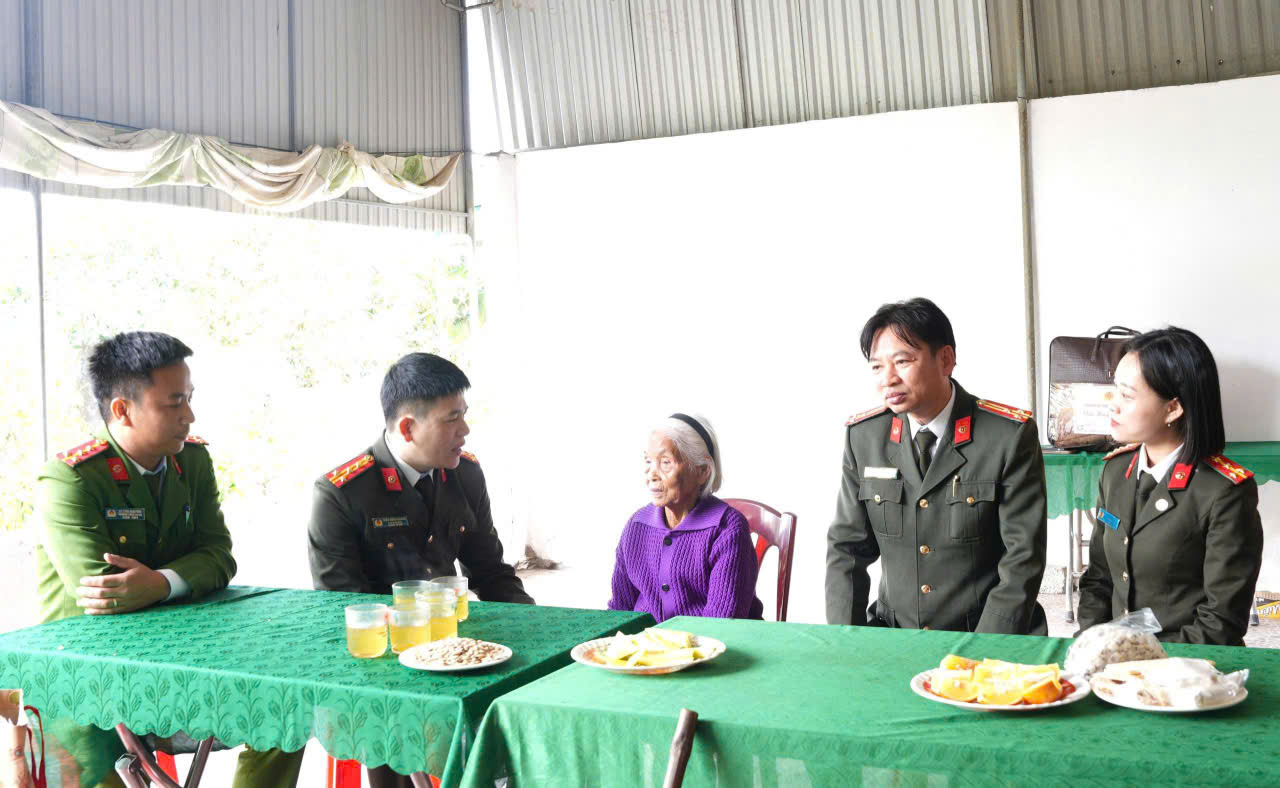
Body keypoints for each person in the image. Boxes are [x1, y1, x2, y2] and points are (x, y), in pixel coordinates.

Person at [35, 331, 300, 788]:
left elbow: (219, 556)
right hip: (89, 682)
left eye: (190, 399)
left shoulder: (191, 461)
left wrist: (160, 582)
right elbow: (105, 593)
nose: (189, 415)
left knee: (284, 712)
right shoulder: (69, 479)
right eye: (174, 403)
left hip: (181, 668)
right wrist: (185, 577)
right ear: (122, 409)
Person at [308, 352, 533, 788]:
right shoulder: (343, 493)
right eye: (452, 419)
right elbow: (341, 604)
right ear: (408, 428)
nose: (465, 430)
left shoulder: (464, 475)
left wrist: (540, 624)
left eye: (464, 414)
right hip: (384, 670)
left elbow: (490, 570)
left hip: (456, 649)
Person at [825, 298, 1048, 634]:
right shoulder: (865, 437)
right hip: (895, 634)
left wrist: (981, 651)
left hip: (983, 635)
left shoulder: (1007, 436)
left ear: (945, 360)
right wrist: (848, 640)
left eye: (902, 361)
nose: (888, 379)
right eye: (877, 367)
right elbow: (846, 549)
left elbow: (1023, 559)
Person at [1076, 328, 1263, 645]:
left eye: (1127, 396)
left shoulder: (1223, 492)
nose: (1113, 404)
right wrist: (1091, 643)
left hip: (1186, 664)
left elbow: (1220, 622)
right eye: (1115, 389)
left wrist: (1139, 659)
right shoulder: (1115, 470)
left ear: (1173, 408)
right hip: (1114, 658)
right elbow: (1098, 579)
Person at [608, 413, 763, 623]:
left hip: (713, 641)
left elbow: (722, 624)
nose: (651, 474)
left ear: (702, 471)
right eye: (648, 461)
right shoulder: (637, 526)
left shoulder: (727, 529)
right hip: (647, 642)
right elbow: (619, 611)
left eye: (665, 462)